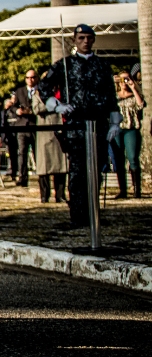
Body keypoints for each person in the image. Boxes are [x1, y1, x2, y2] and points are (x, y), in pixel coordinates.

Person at [36, 24, 120, 229]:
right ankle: (77, 215)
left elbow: (110, 95)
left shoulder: (102, 65)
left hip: (98, 123)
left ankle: (94, 214)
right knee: (77, 171)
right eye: (81, 37)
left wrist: (115, 122)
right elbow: (43, 87)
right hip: (75, 124)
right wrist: (57, 106)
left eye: (89, 37)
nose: (85, 41)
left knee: (96, 171)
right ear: (74, 40)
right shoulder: (65, 65)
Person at [31, 81, 68, 203]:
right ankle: (44, 195)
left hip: (60, 131)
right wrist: (50, 106)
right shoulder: (37, 95)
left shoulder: (63, 93)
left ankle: (60, 194)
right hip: (45, 133)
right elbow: (36, 109)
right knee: (44, 166)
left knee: (61, 165)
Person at [5, 69, 40, 187]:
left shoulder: (40, 91)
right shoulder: (20, 91)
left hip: (35, 126)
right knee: (22, 153)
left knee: (37, 153)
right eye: (28, 78)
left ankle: (41, 176)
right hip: (21, 126)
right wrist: (17, 110)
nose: (30, 80)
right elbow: (12, 106)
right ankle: (22, 177)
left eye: (33, 77)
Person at [112, 69, 144, 198]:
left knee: (133, 158)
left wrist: (133, 87)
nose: (124, 82)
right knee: (119, 160)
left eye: (126, 79)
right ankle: (123, 191)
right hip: (117, 129)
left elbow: (140, 105)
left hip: (131, 129)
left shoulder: (134, 94)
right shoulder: (115, 96)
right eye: (122, 79)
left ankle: (137, 189)